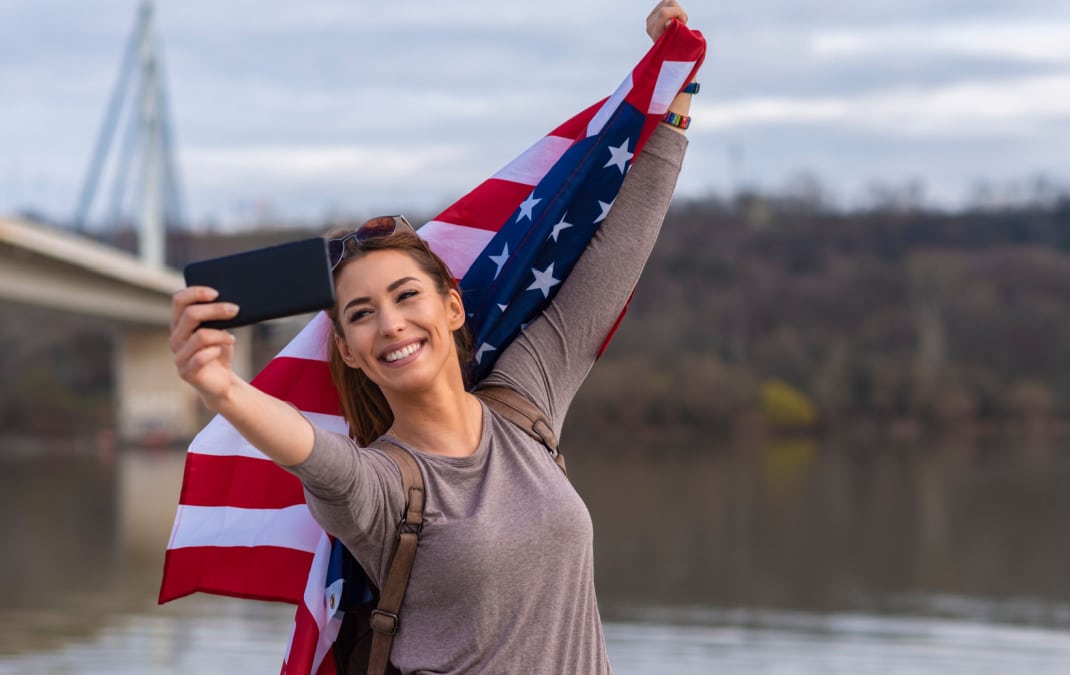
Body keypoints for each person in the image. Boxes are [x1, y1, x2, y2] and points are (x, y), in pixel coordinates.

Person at [169, 2, 697, 672]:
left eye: (406, 295)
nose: (390, 322)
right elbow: (309, 451)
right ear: (352, 355)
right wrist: (219, 385)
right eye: (360, 314)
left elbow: (615, 260)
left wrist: (670, 97)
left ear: (451, 307)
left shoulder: (525, 400)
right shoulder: (383, 489)